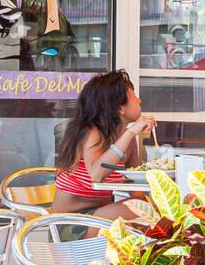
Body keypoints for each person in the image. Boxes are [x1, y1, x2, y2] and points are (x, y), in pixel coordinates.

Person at [52, 69, 156, 221]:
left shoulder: (128, 139)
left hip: (99, 218)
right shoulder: (94, 132)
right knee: (143, 210)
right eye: (134, 97)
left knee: (147, 208)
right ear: (120, 108)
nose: (139, 100)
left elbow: (136, 190)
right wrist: (131, 132)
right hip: (68, 223)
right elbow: (96, 174)